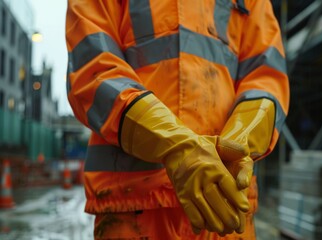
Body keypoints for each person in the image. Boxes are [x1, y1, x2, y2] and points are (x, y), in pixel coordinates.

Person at [65, 0, 289, 239]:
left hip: (224, 203)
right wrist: (176, 145)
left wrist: (237, 145)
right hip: (136, 206)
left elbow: (266, 78)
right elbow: (92, 68)